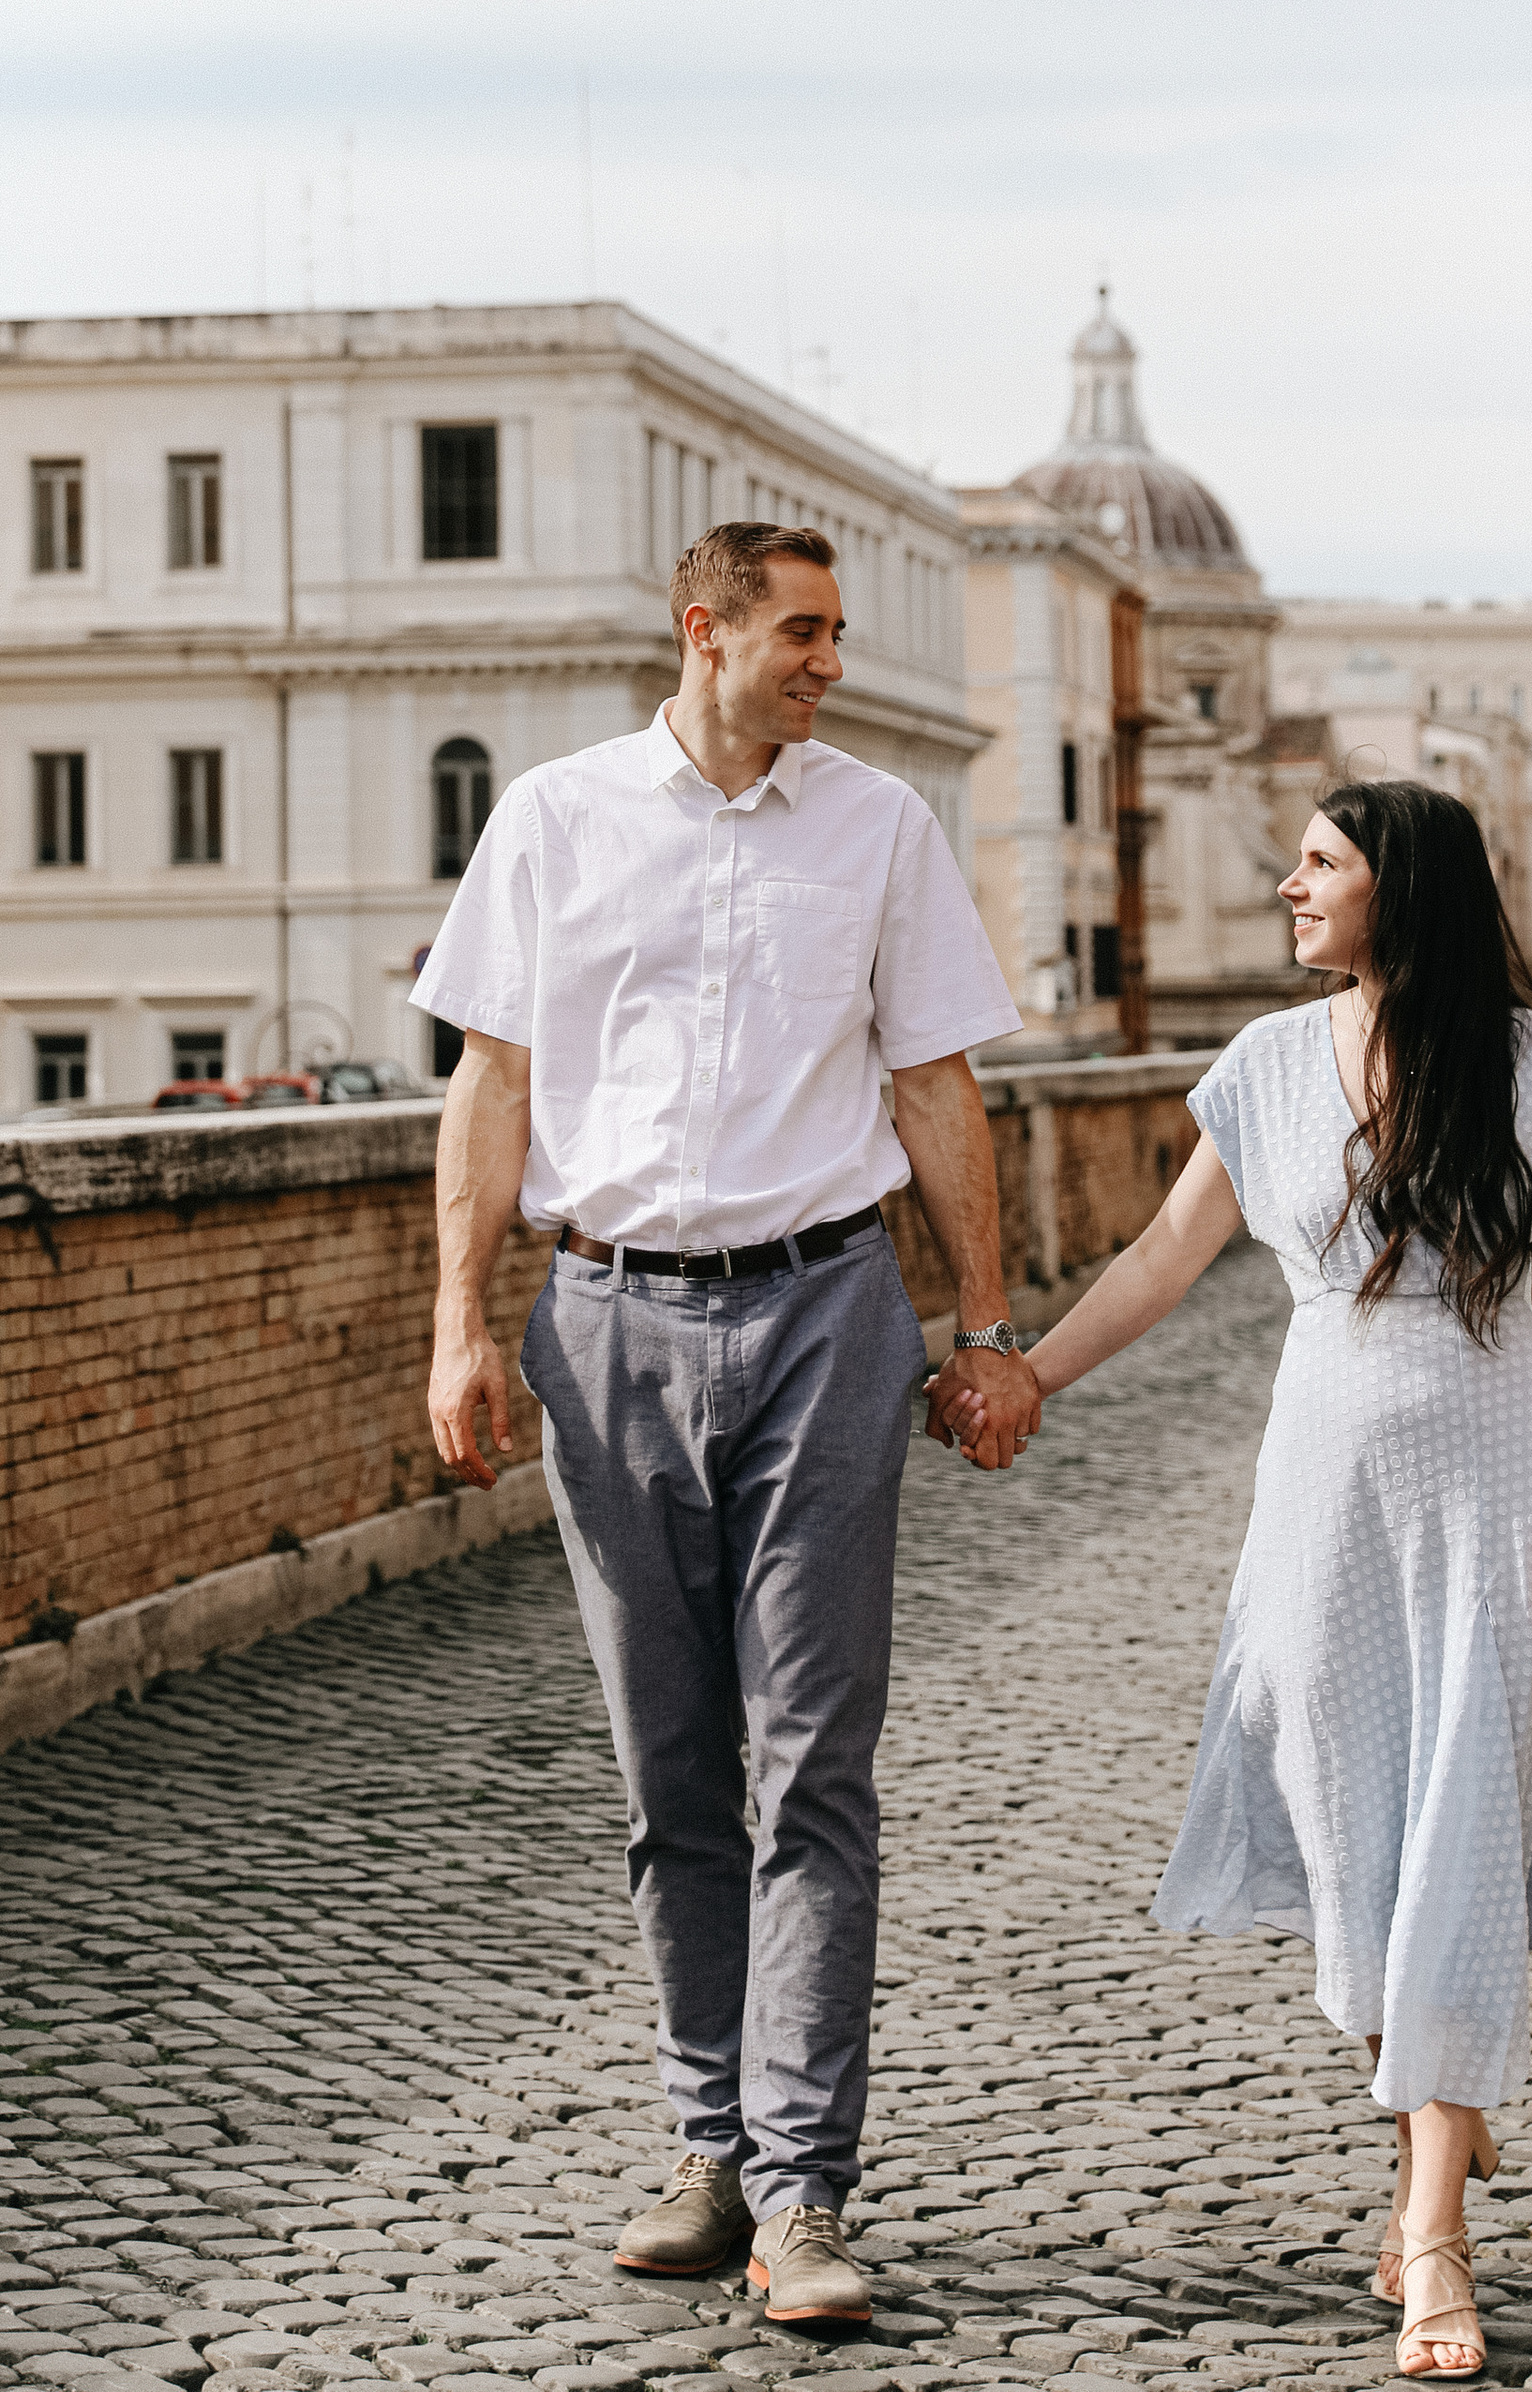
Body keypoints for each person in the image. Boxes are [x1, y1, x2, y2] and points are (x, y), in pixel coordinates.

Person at [421, 520, 1037, 2334]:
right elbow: (495, 1081)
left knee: (814, 1766)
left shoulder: (880, 827)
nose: (830, 661)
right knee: (669, 1769)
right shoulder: (553, 817)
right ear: (704, 631)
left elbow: (936, 1082)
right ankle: (711, 2147)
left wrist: (983, 1325)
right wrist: (462, 1321)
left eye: (836, 633)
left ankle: (806, 2195)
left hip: (826, 1317)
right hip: (604, 1318)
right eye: (803, 632)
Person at [955, 779, 1532, 2382]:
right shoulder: (1266, 1066)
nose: (1288, 883)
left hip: (1505, 1481)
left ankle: (1430, 2237)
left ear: (1399, 888)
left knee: (1460, 1825)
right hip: (1321, 1495)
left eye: (1322, 863)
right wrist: (1027, 1376)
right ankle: (1428, 2079)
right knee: (1340, 1813)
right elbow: (1155, 1261)